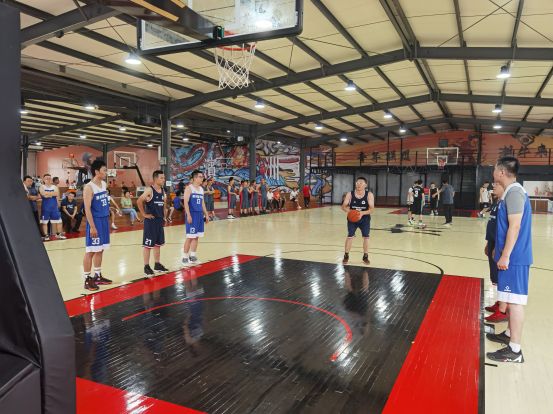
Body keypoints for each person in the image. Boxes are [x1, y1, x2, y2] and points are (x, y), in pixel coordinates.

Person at [486, 156, 532, 364]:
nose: (493, 173)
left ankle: (515, 350)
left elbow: (515, 226)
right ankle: (508, 334)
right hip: (512, 256)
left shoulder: (514, 192)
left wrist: (505, 254)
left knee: (515, 302)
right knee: (511, 300)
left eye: (495, 169)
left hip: (514, 258)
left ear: (502, 172)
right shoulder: (510, 192)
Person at [82, 160, 113, 291]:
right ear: (96, 171)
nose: (106, 172)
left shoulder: (104, 184)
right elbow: (87, 209)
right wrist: (92, 227)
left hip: (104, 220)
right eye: (104, 170)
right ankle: (86, 279)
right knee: (91, 251)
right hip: (95, 222)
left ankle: (97, 275)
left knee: (100, 249)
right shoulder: (89, 187)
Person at [137, 170, 169, 276]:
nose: (163, 180)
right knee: (148, 245)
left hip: (159, 222)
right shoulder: (149, 190)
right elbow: (139, 201)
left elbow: (164, 204)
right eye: (161, 178)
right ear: (155, 179)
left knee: (158, 244)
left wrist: (164, 217)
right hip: (151, 222)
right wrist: (144, 214)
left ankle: (157, 264)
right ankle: (146, 266)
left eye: (164, 178)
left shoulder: (163, 191)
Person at [484, 184, 506, 322]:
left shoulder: (504, 204)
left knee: (500, 276)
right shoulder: (496, 203)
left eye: (497, 185)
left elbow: (502, 228)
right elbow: (491, 225)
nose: (494, 187)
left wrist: (497, 246)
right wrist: (488, 243)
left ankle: (503, 308)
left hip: (498, 244)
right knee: (495, 276)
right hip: (492, 242)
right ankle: (500, 301)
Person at [341, 177, 374, 265]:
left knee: (366, 237)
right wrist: (351, 212)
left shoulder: (369, 195)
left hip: (365, 218)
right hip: (352, 219)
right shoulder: (350, 194)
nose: (359, 184)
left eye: (361, 183)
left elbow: (371, 209)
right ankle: (346, 255)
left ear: (365, 185)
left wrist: (361, 213)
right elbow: (343, 207)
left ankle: (365, 256)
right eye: (357, 183)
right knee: (350, 236)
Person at [182, 170, 208, 266]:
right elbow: (185, 202)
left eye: (202, 177)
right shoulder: (189, 188)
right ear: (195, 178)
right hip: (192, 215)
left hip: (199, 215)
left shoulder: (201, 189)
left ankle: (192, 256)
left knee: (196, 236)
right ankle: (185, 258)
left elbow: (202, 203)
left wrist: (206, 214)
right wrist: (188, 214)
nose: (202, 179)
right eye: (200, 177)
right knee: (190, 237)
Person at [39, 173, 66, 241]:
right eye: (46, 178)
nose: (48, 180)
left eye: (49, 178)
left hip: (54, 207)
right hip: (45, 208)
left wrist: (47, 194)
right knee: (44, 222)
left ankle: (58, 234)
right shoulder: (41, 187)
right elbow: (43, 194)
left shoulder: (55, 187)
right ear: (43, 179)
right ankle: (46, 235)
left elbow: (56, 193)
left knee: (59, 221)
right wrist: (52, 194)